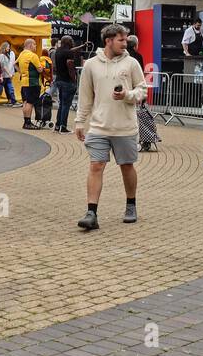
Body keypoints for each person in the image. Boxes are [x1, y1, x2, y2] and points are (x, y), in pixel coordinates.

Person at [74, 23, 147, 231]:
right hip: (99, 126)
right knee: (96, 165)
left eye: (126, 39)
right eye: (121, 40)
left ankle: (131, 204)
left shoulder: (132, 63)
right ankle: (91, 212)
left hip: (125, 127)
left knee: (126, 166)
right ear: (108, 41)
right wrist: (80, 121)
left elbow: (142, 90)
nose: (126, 44)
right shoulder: (91, 65)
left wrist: (127, 95)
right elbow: (85, 96)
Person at [52, 36, 79, 134]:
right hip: (67, 81)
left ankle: (57, 125)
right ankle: (63, 127)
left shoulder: (58, 51)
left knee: (61, 104)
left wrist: (82, 46)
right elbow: (70, 66)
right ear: (68, 42)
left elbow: (69, 52)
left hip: (59, 80)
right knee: (66, 105)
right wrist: (74, 79)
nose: (73, 42)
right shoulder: (69, 53)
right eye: (71, 40)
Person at [16, 38, 43, 130]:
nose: (35, 46)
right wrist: (43, 67)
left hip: (24, 82)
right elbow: (40, 69)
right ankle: (28, 122)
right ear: (30, 45)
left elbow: (14, 64)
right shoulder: (33, 56)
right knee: (30, 103)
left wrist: (21, 73)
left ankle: (26, 122)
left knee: (25, 102)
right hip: (33, 82)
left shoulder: (22, 54)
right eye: (35, 44)